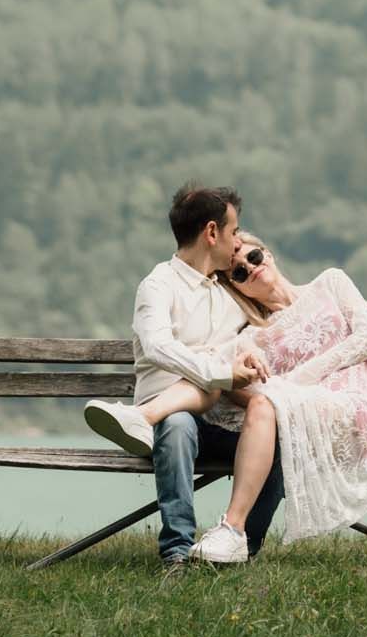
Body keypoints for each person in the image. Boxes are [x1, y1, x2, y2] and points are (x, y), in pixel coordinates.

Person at [84, 183, 286, 568]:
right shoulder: (158, 285)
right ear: (212, 233)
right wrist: (218, 371)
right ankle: (176, 553)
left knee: (275, 445)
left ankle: (242, 548)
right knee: (178, 424)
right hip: (166, 422)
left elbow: (274, 323)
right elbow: (158, 346)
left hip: (220, 421)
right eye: (233, 231)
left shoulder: (230, 294)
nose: (237, 240)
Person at [189, 241, 367, 563]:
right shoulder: (250, 338)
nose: (251, 267)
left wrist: (292, 383)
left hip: (352, 407)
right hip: (295, 415)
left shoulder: (331, 282)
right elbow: (227, 380)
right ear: (236, 288)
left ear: (267, 253)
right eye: (239, 272)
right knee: (264, 406)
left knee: (272, 404)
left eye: (253, 256)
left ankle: (234, 534)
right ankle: (233, 532)